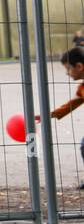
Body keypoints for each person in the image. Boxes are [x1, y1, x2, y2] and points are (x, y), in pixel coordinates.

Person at [49, 48, 84, 188]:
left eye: (68, 69)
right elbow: (73, 103)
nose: (67, 73)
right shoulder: (82, 87)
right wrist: (50, 114)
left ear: (79, 66)